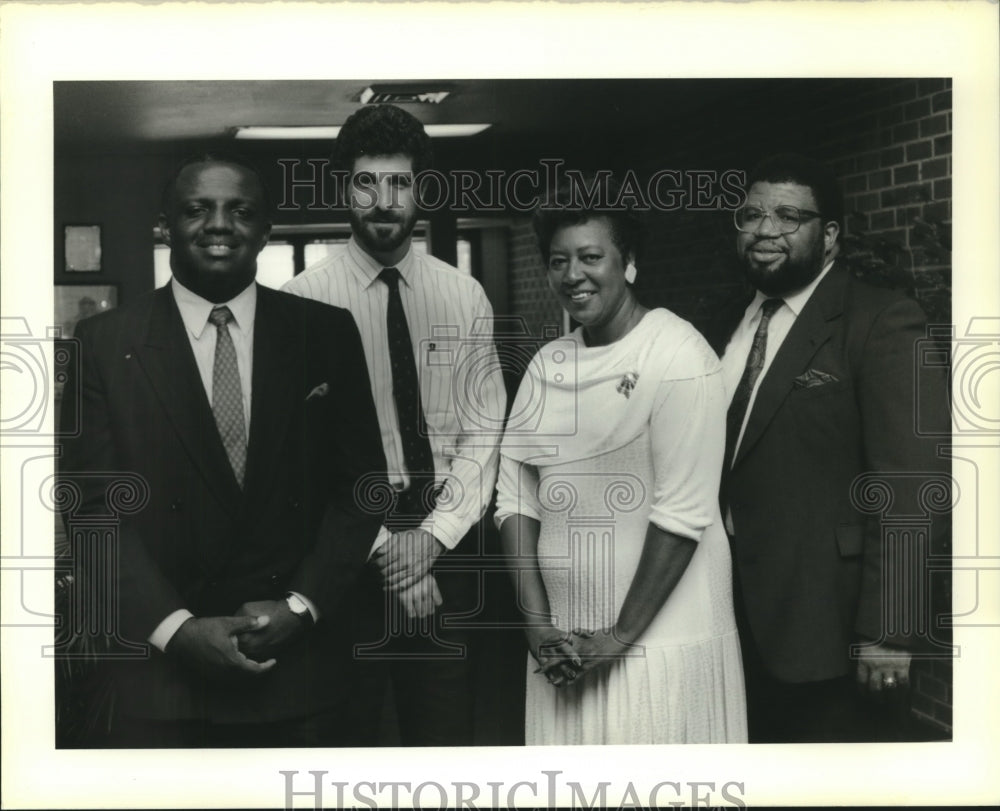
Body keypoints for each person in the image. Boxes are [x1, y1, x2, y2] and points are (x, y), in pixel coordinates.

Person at [59, 154, 388, 747]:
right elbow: (91, 509)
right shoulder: (104, 344)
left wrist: (301, 606)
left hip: (301, 673)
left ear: (265, 230)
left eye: (240, 210)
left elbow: (362, 488)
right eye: (196, 209)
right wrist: (176, 629)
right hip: (161, 680)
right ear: (165, 226)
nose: (218, 224)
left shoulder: (326, 333)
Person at [282, 105, 506, 746]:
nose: (384, 201)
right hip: (345, 563)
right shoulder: (300, 304)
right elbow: (304, 456)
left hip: (450, 551)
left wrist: (432, 539)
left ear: (421, 190)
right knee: (348, 747)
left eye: (400, 183)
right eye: (367, 183)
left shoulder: (463, 296)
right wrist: (386, 550)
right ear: (342, 189)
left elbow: (483, 432)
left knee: (446, 744)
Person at [495, 177, 747, 744]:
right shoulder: (546, 363)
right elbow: (514, 494)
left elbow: (682, 511)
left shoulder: (678, 352)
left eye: (590, 257)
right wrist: (537, 624)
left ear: (628, 262)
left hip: (659, 641)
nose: (572, 275)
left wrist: (619, 635)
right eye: (558, 260)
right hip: (563, 645)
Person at [712, 153, 951, 742]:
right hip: (730, 612)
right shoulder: (725, 320)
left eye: (788, 215)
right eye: (751, 215)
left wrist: (890, 630)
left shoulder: (882, 321)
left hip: (833, 624)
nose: (765, 230)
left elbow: (913, 487)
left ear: (831, 236)